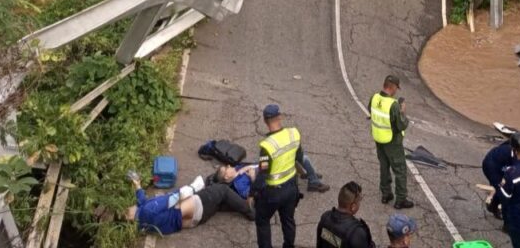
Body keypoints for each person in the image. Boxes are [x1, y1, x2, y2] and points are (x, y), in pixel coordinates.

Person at [125, 173, 252, 234]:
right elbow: (174, 198)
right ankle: (252, 212)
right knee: (222, 190)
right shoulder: (148, 210)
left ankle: (244, 202)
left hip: (197, 218)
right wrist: (194, 187)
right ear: (129, 217)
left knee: (220, 201)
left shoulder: (140, 224)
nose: (127, 207)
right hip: (196, 206)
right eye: (126, 211)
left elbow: (141, 201)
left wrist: (137, 186)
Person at [252, 104, 305, 248]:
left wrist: (252, 193)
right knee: (288, 220)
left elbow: (263, 175)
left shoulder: (267, 146)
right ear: (280, 117)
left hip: (273, 193)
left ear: (264, 121)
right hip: (291, 188)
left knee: (262, 220)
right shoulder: (294, 134)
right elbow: (299, 157)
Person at [370, 74, 413, 209]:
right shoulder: (393, 105)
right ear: (393, 87)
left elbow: (371, 112)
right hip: (392, 142)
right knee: (400, 169)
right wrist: (402, 112)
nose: (396, 91)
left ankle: (386, 194)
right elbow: (401, 125)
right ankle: (400, 199)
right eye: (396, 88)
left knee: (384, 167)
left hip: (378, 138)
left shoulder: (374, 98)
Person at [316, 181, 376, 248]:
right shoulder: (357, 232)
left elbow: (320, 244)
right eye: (359, 201)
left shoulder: (325, 217)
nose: (359, 203)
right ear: (353, 207)